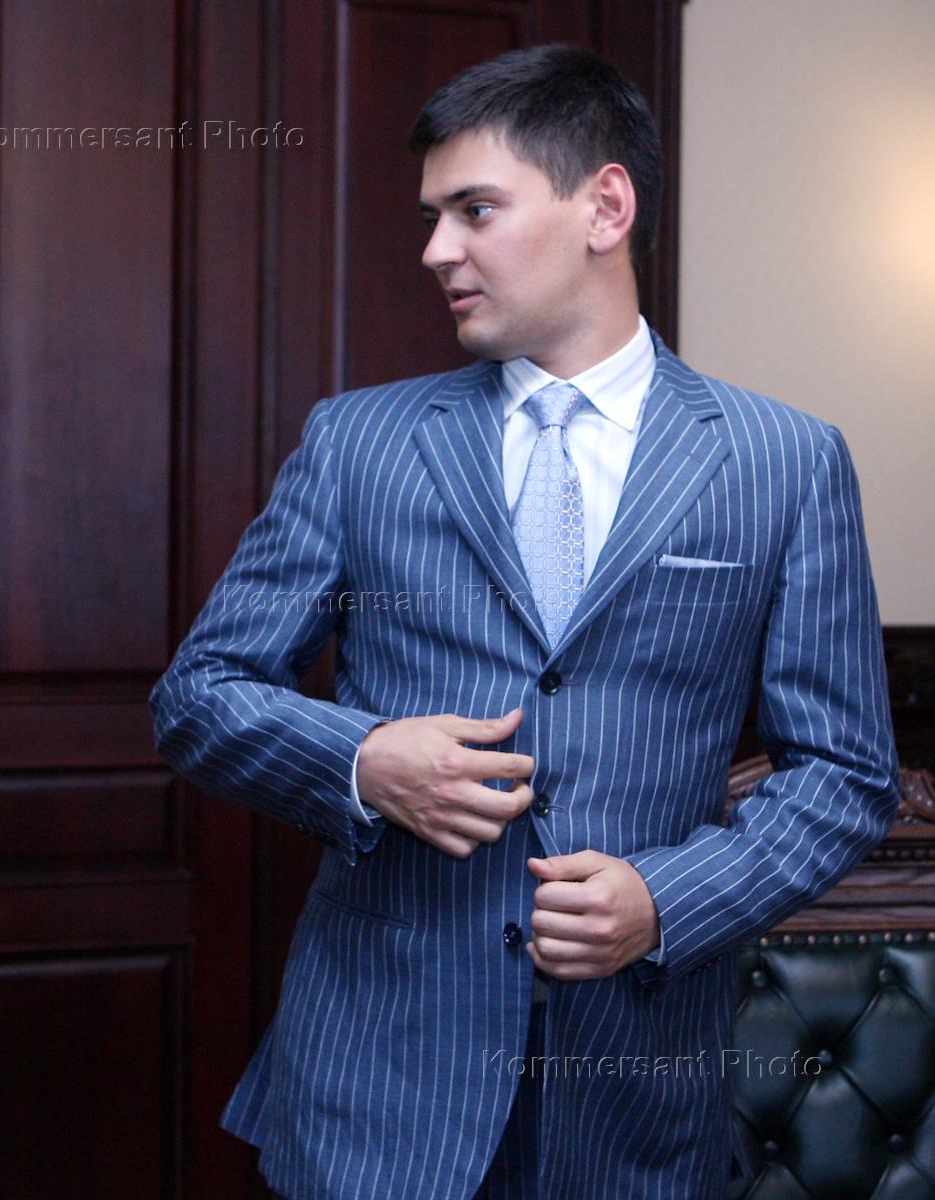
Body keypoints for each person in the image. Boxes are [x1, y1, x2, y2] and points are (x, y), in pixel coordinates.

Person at [149, 44, 898, 1200]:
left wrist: (665, 902)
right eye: (432, 216)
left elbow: (843, 772)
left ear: (604, 206)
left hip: (636, 1092)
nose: (434, 250)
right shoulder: (358, 442)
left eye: (474, 209)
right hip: (379, 1093)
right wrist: (361, 759)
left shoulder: (782, 461)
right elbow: (198, 696)